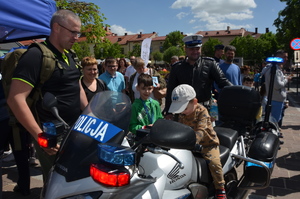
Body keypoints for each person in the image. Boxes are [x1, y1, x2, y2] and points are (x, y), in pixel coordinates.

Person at [7, 9, 88, 181]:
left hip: (75, 130)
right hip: (52, 136)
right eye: (73, 32)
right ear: (57, 27)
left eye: (78, 32)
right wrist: (41, 137)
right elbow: (15, 98)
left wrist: (91, 114)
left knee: (75, 180)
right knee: (55, 183)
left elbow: (78, 88)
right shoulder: (36, 55)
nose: (76, 37)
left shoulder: (70, 55)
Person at [169, 84, 227, 199]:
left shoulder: (202, 111)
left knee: (214, 163)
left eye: (184, 108)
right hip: (187, 145)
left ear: (194, 102)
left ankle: (220, 188)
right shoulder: (181, 113)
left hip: (207, 144)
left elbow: (201, 130)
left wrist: (194, 142)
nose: (181, 111)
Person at [164, 34, 232, 116]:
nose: (195, 52)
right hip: (183, 111)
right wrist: (168, 112)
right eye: (192, 49)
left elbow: (223, 82)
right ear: (185, 49)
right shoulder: (177, 67)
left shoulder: (210, 64)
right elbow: (171, 90)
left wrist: (237, 93)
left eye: (197, 49)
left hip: (204, 110)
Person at [261, 50, 291, 123]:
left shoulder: (272, 68)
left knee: (272, 121)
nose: (286, 59)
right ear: (278, 57)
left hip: (274, 98)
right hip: (276, 99)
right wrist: (287, 79)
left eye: (286, 57)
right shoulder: (274, 69)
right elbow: (277, 85)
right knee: (274, 122)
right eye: (284, 57)